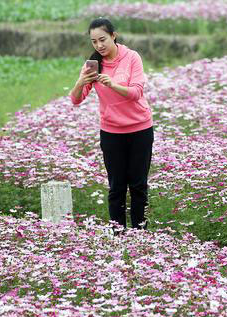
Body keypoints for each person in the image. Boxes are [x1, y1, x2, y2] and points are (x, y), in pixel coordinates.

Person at [69, 18, 154, 231]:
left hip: (140, 129)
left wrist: (113, 85)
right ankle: (118, 233)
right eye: (94, 41)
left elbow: (136, 92)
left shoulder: (132, 57)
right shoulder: (93, 64)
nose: (99, 45)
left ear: (113, 36)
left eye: (103, 39)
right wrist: (82, 80)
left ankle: (140, 234)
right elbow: (76, 99)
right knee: (116, 187)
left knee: (138, 186)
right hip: (111, 132)